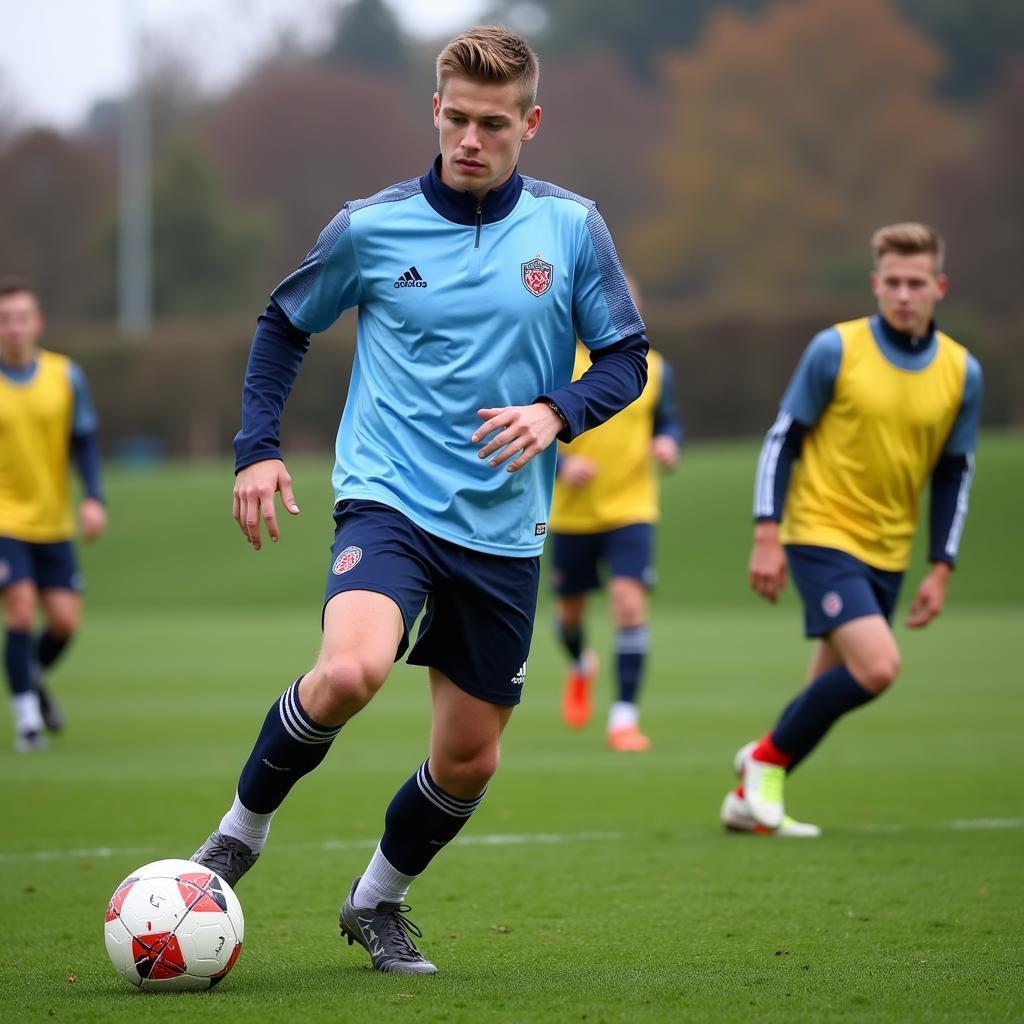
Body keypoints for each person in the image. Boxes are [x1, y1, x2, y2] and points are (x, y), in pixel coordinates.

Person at [191, 26, 648, 975]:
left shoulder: (571, 229)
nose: (471, 139)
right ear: (434, 109)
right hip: (388, 500)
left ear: (531, 123)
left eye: (494, 123)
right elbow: (284, 323)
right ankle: (237, 837)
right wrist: (257, 450)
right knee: (350, 671)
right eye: (457, 118)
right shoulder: (371, 225)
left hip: (506, 527)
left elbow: (626, 360)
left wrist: (555, 413)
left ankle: (377, 901)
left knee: (469, 761)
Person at [721, 223, 982, 838]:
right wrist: (767, 532)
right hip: (821, 532)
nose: (903, 294)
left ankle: (744, 800)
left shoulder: (961, 373)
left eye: (916, 283)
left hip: (889, 552)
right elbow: (781, 443)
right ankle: (763, 761)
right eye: (892, 282)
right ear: (875, 284)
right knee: (878, 668)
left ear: (938, 287)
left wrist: (941, 565)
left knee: (824, 690)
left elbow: (954, 476)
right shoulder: (834, 350)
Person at [549, 276, 682, 751]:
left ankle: (624, 718)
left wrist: (668, 443)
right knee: (568, 617)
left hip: (632, 506)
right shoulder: (557, 361)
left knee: (629, 604)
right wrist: (563, 466)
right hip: (571, 514)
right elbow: (531, 428)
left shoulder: (654, 368)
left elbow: (667, 422)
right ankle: (581, 663)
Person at [0, 278, 106, 752]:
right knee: (21, 609)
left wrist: (93, 498)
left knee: (64, 623)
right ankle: (27, 723)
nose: (13, 328)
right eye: (5, 319)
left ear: (37, 323)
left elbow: (83, 441)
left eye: (21, 317)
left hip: (52, 520)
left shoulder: (65, 376)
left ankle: (32, 676)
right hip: (5, 521)